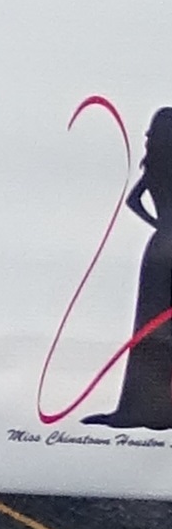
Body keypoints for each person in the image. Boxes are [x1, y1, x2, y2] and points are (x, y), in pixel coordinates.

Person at [86, 108, 172, 431]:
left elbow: (133, 202)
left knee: (151, 325)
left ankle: (145, 405)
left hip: (159, 246)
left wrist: (159, 224)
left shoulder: (155, 168)